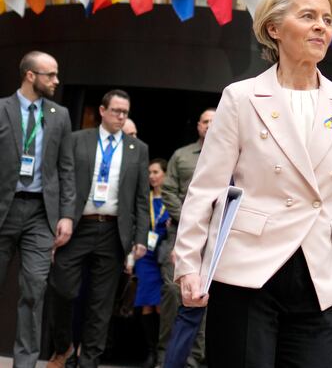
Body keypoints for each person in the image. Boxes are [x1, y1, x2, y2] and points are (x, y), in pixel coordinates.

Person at [172, 0, 332, 368]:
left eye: (327, 19)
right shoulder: (240, 98)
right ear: (274, 28)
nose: (322, 27)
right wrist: (188, 262)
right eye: (309, 16)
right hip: (246, 270)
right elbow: (206, 188)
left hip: (320, 274)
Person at [47, 89, 150, 368]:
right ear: (102, 111)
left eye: (125, 112)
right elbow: (61, 181)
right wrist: (59, 218)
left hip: (113, 232)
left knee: (101, 304)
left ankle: (88, 361)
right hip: (78, 227)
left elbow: (142, 198)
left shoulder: (137, 149)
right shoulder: (78, 140)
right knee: (62, 290)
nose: (120, 116)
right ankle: (64, 347)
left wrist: (140, 237)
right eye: (116, 111)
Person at [0, 51, 75, 368]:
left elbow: (66, 168)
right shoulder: (2, 109)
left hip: (40, 217)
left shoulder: (60, 115)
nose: (56, 81)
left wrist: (67, 214)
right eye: (50, 75)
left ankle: (25, 364)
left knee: (34, 292)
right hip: (4, 209)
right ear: (30, 75)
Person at [159, 108, 215, 368]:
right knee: (176, 294)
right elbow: (167, 190)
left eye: (215, 121)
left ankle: (196, 361)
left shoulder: (235, 156)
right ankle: (165, 359)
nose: (209, 125)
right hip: (181, 233)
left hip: (217, 240)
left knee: (204, 300)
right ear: (198, 126)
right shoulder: (181, 156)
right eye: (205, 121)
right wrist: (190, 220)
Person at [133, 158, 171, 368]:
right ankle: (151, 352)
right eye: (150, 173)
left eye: (156, 172)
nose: (152, 176)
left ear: (165, 174)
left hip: (163, 255)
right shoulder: (144, 198)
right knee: (146, 303)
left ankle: (163, 351)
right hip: (146, 256)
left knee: (160, 305)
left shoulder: (170, 199)